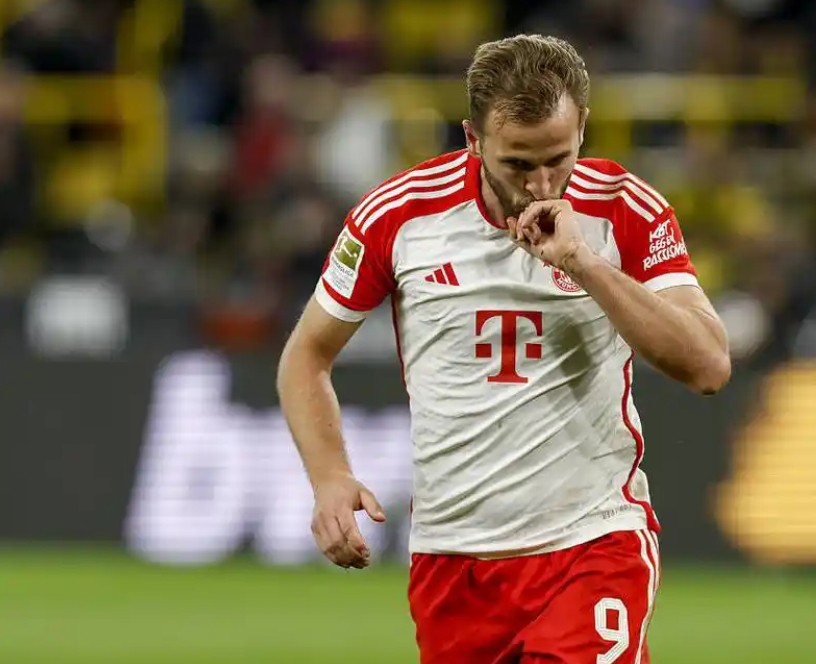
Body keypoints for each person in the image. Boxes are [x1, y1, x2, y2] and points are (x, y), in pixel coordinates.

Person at [277, 34, 730, 664]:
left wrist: (584, 263)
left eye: (559, 158)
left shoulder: (624, 209)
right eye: (518, 164)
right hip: (453, 560)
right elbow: (305, 356)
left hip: (592, 542)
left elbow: (708, 366)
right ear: (472, 138)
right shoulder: (400, 216)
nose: (541, 184)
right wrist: (329, 477)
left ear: (582, 128)